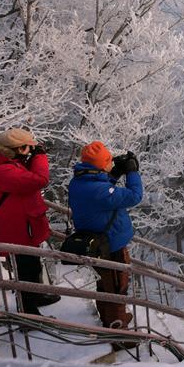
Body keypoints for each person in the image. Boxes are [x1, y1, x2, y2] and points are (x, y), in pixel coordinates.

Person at [0, 128, 60, 315]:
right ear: (18, 149)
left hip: (18, 224)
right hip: (14, 228)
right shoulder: (3, 170)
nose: (31, 151)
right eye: (28, 148)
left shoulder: (3, 162)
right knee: (25, 269)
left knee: (32, 265)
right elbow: (40, 180)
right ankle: (28, 312)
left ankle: (36, 296)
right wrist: (40, 158)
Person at [68, 141, 142, 331]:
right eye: (108, 161)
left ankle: (107, 316)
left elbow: (102, 190)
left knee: (105, 283)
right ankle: (118, 328)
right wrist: (132, 172)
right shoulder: (98, 190)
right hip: (110, 245)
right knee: (117, 286)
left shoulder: (80, 180)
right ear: (100, 165)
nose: (111, 163)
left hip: (99, 242)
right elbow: (134, 196)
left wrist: (114, 174)